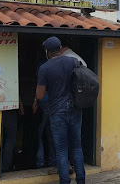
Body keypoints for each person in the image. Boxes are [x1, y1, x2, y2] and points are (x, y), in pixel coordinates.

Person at [36, 36, 85, 184]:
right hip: (75, 109)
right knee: (76, 147)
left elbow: (40, 95)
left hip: (57, 112)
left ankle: (65, 181)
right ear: (59, 49)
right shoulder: (73, 62)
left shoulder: (44, 68)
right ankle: (81, 180)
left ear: (47, 51)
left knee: (62, 150)